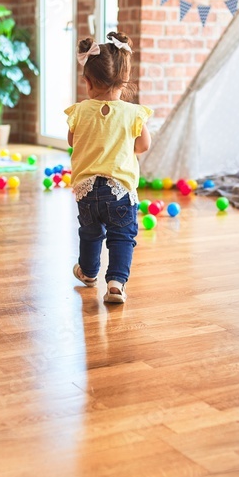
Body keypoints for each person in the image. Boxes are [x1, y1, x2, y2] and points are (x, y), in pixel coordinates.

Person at [65, 31, 152, 304]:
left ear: (88, 82)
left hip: (87, 190)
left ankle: (89, 272)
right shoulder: (132, 112)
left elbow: (72, 140)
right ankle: (115, 283)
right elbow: (143, 146)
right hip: (120, 191)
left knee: (90, 233)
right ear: (123, 81)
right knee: (122, 236)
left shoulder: (80, 111)